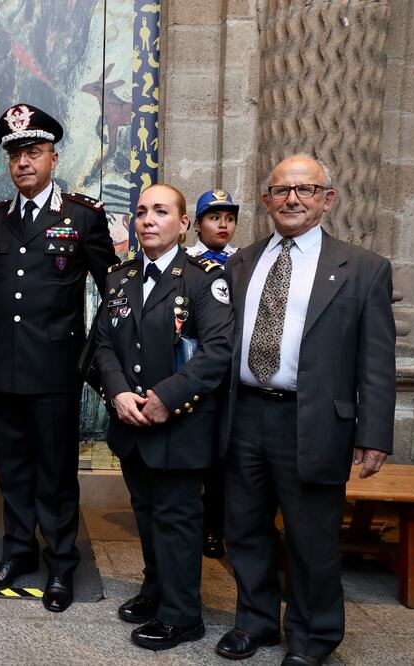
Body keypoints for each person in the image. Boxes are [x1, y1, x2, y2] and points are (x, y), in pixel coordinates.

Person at [214, 155, 395, 666]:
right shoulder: (241, 262)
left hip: (313, 420)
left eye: (305, 189)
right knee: (243, 528)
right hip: (245, 415)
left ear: (327, 199)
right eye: (281, 190)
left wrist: (374, 433)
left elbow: (376, 361)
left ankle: (313, 638)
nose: (292, 199)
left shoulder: (363, 269)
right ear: (267, 200)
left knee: (312, 537)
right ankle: (255, 622)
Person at [0, 103, 117, 612]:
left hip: (56, 370)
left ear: (54, 158)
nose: (23, 163)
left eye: (33, 152)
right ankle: (18, 553)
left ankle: (60, 564)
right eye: (15, 155)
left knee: (55, 472)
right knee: (12, 469)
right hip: (5, 369)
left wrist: (92, 354)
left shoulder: (82, 216)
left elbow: (113, 291)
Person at [95, 184, 234, 649]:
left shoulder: (203, 279)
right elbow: (103, 344)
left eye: (160, 211)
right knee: (147, 512)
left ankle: (182, 614)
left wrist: (166, 398)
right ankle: (155, 590)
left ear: (183, 223)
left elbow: (218, 351)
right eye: (141, 212)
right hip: (131, 423)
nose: (148, 220)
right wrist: (118, 392)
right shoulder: (120, 277)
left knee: (177, 519)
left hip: (180, 425)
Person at [186, 188, 240, 560]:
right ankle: (191, 522)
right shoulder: (186, 261)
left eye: (229, 218)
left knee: (222, 457)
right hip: (192, 367)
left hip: (229, 373)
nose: (223, 224)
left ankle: (214, 527)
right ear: (197, 223)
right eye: (214, 217)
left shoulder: (243, 262)